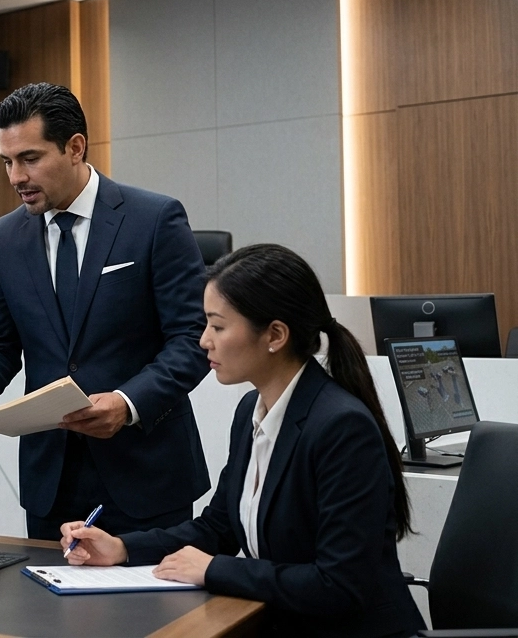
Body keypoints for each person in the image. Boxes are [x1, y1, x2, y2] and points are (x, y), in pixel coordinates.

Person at [62, 244, 425, 638]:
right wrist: (122, 548)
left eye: (217, 327)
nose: (204, 341)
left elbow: (338, 584)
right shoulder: (252, 409)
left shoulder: (341, 427)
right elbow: (218, 528)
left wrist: (213, 569)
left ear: (275, 335)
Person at [0, 82, 210, 538]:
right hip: (51, 480)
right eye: (7, 161)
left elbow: (192, 338)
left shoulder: (154, 219)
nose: (15, 177)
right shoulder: (3, 238)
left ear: (75, 147)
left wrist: (127, 403)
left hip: (146, 473)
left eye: (30, 158)